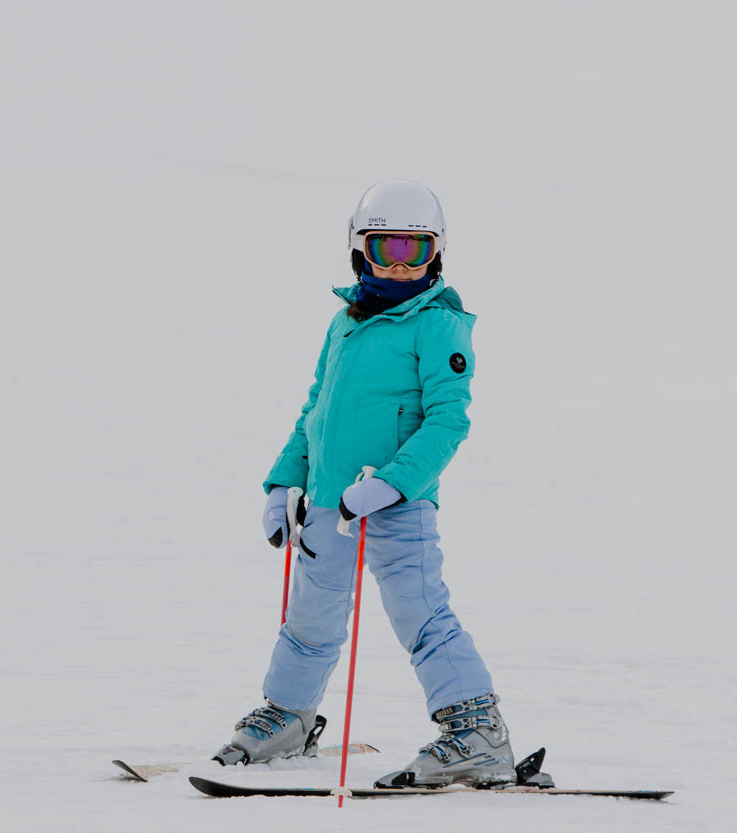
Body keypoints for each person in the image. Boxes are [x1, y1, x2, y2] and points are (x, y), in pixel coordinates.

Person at [214, 180, 547, 789]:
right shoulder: (344, 323)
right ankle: (288, 716)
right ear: (358, 249)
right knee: (309, 619)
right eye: (385, 247)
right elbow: (316, 409)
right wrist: (282, 483)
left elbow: (449, 420)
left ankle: (475, 732)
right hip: (325, 506)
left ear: (436, 253)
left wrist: (393, 485)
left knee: (421, 616)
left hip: (396, 507)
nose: (398, 264)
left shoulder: (438, 324)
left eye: (414, 250)